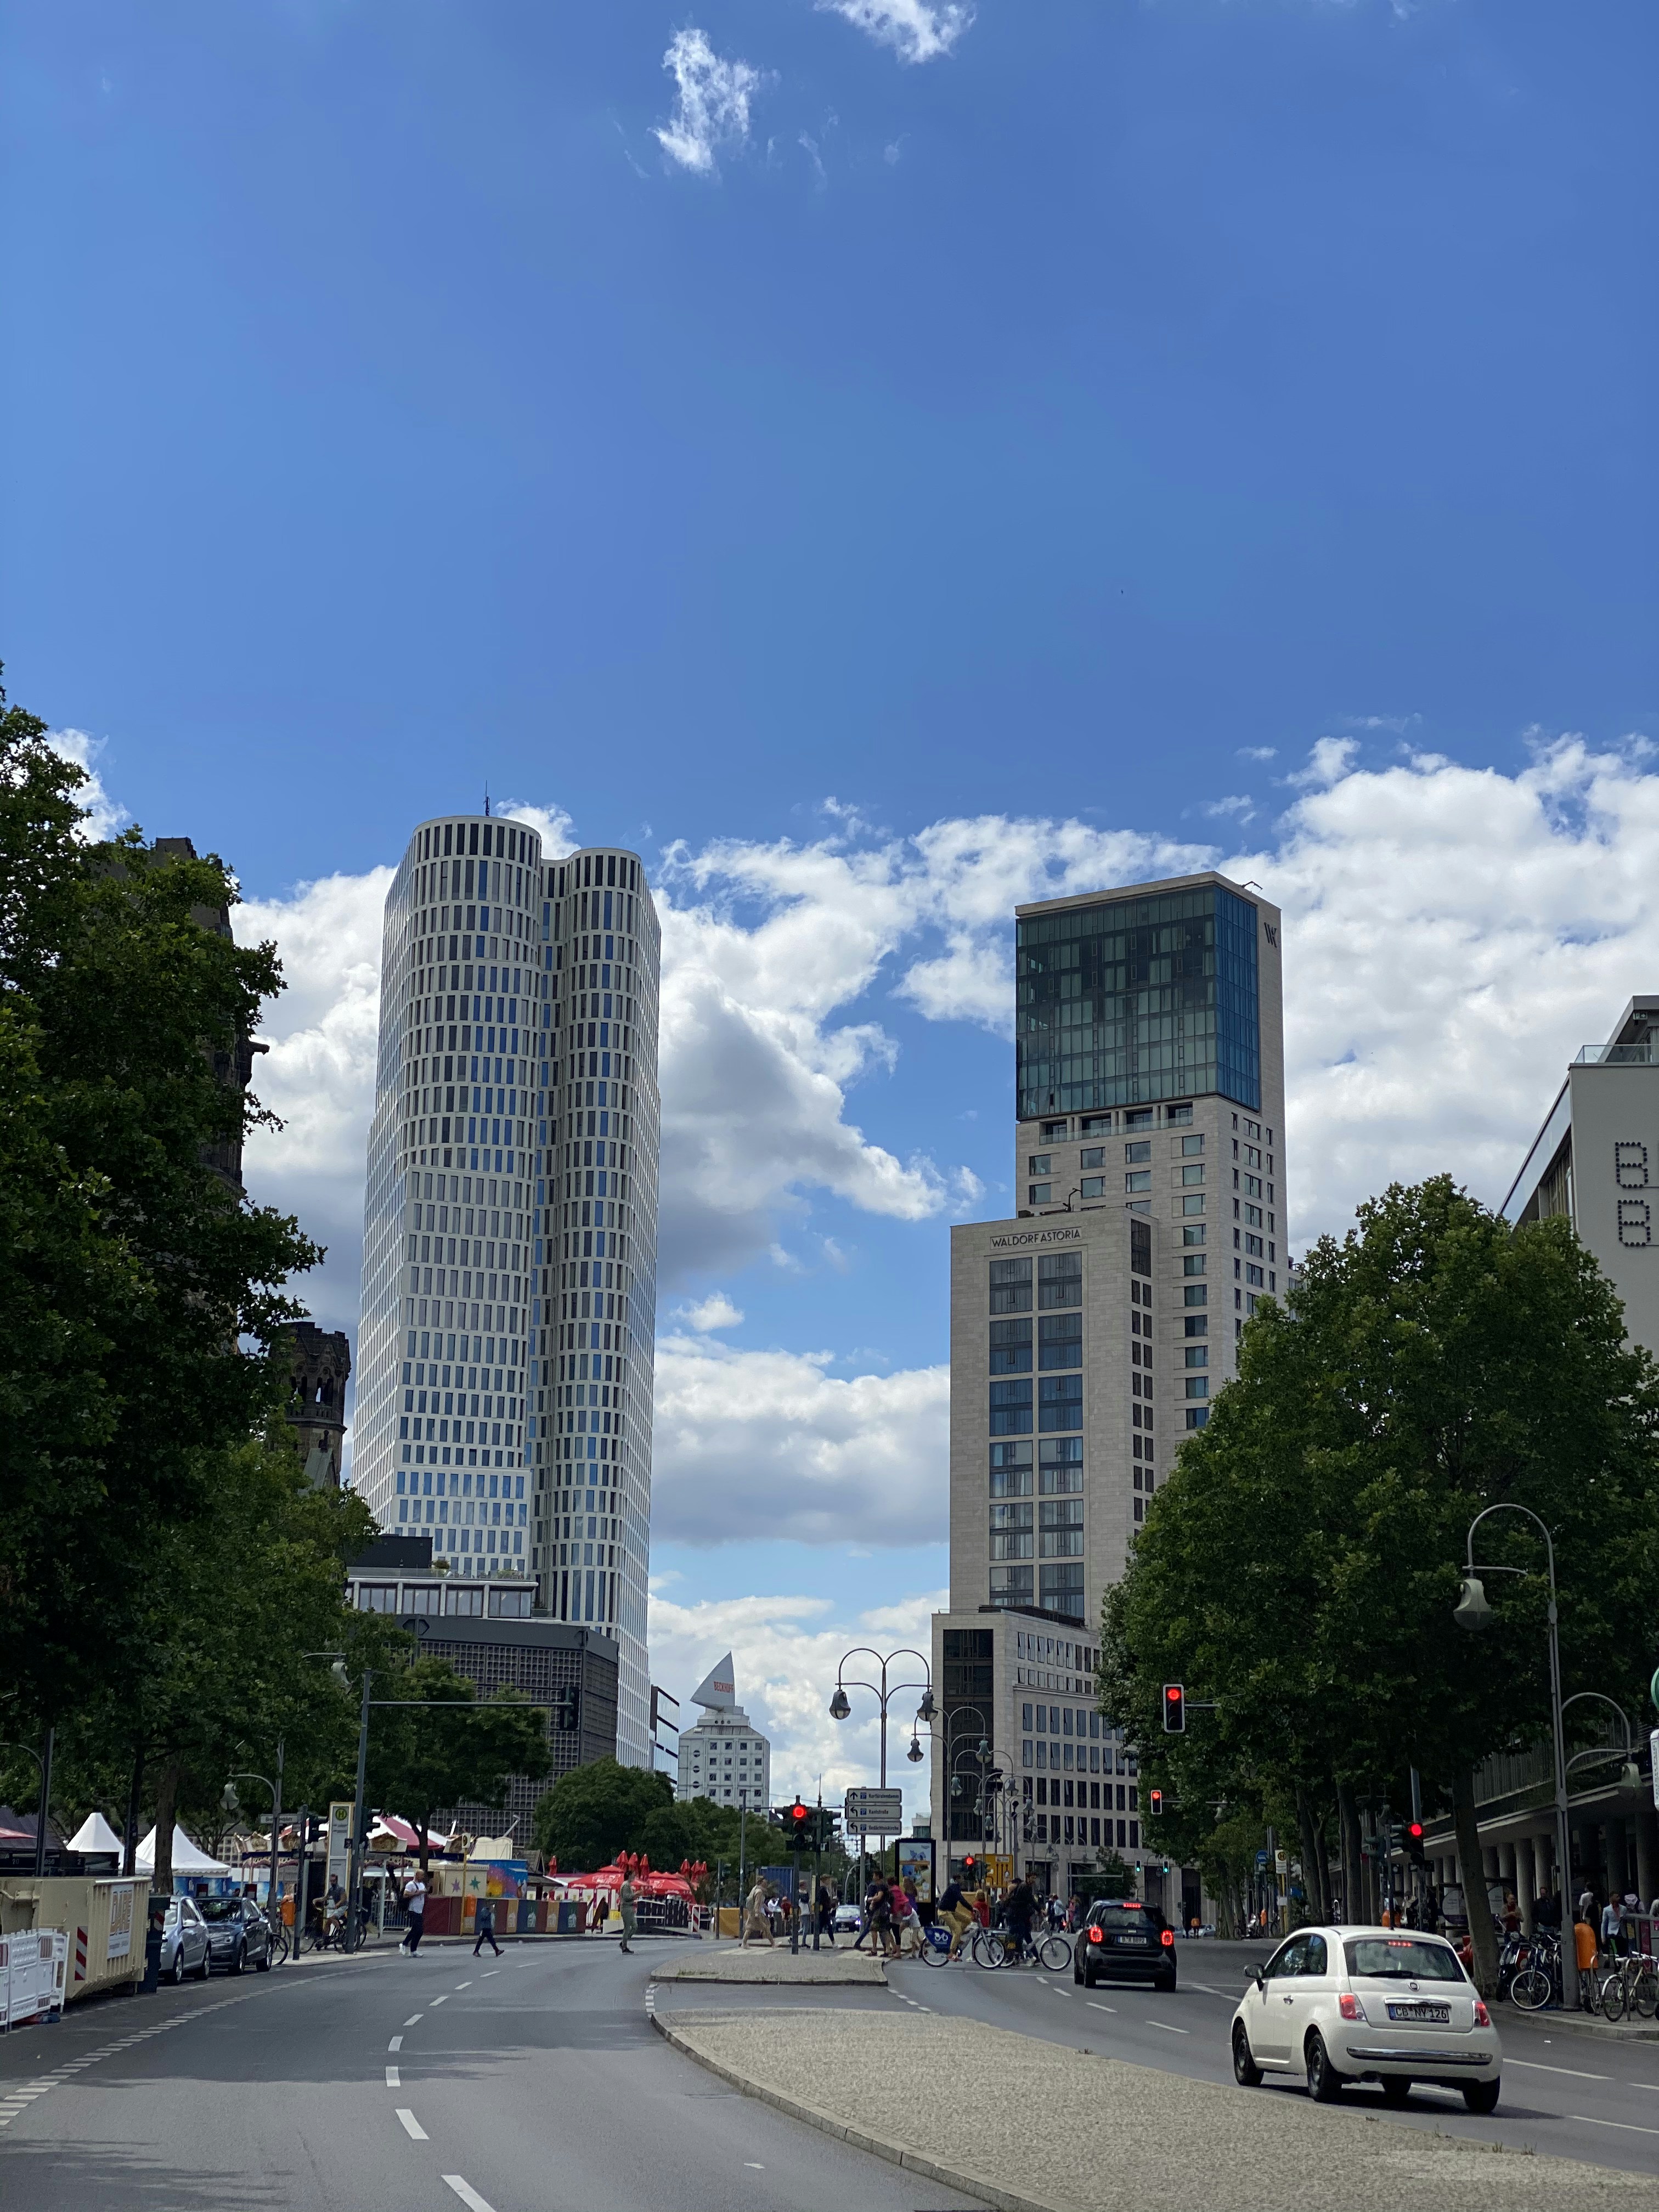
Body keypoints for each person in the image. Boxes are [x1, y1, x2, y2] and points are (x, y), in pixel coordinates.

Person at [938, 1877, 973, 1960]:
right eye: (962, 1879)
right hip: (944, 1911)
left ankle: (957, 1938)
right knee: (957, 1930)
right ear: (957, 1880)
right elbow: (961, 1900)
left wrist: (971, 1909)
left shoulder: (956, 1888)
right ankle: (952, 1953)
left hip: (951, 1911)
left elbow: (962, 1899)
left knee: (967, 1920)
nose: (963, 1880)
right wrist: (971, 1909)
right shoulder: (954, 1887)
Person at [1005, 1875, 1037, 1961]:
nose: (1034, 1881)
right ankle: (1017, 1954)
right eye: (1033, 1878)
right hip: (1018, 1916)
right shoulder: (1024, 1888)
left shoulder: (1015, 1893)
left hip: (1018, 1916)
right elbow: (1031, 1901)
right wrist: (1040, 1910)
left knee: (1022, 1935)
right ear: (1028, 1878)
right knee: (1020, 1935)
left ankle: (1022, 1956)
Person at [1575, 1909, 1600, 2006]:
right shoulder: (1588, 1929)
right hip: (1590, 1957)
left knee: (1586, 1976)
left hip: (1584, 1958)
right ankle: (1593, 1995)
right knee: (1591, 1976)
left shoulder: (1580, 1928)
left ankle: (1586, 1995)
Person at [741, 1877, 772, 1948]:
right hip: (757, 1914)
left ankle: (744, 1944)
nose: (766, 1884)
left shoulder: (754, 1889)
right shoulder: (759, 1892)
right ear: (761, 1882)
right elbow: (757, 1903)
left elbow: (761, 1904)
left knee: (750, 1928)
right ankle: (773, 1944)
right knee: (766, 1927)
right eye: (765, 1882)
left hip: (752, 1913)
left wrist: (768, 1910)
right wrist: (757, 1914)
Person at [400, 1870, 427, 1955]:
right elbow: (405, 1895)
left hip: (420, 1910)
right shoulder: (411, 1885)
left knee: (417, 1930)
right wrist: (417, 1893)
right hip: (413, 1910)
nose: (423, 1877)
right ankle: (407, 1946)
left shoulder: (422, 1885)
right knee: (419, 1929)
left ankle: (411, 1948)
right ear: (417, 1875)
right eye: (422, 1875)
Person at [472, 1892, 503, 1957]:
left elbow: (492, 1920)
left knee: (485, 1940)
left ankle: (476, 1951)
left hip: (488, 1928)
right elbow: (484, 1917)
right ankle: (497, 1951)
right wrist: (490, 1912)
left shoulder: (490, 1911)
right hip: (485, 1928)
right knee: (488, 1940)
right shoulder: (484, 1910)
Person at [618, 1872, 638, 1955]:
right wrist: (635, 1894)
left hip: (629, 1907)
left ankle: (624, 1942)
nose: (634, 1876)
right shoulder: (626, 1886)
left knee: (634, 1926)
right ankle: (624, 1946)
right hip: (626, 1908)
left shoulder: (627, 1885)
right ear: (629, 1876)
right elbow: (627, 1898)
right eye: (633, 1875)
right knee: (627, 1928)